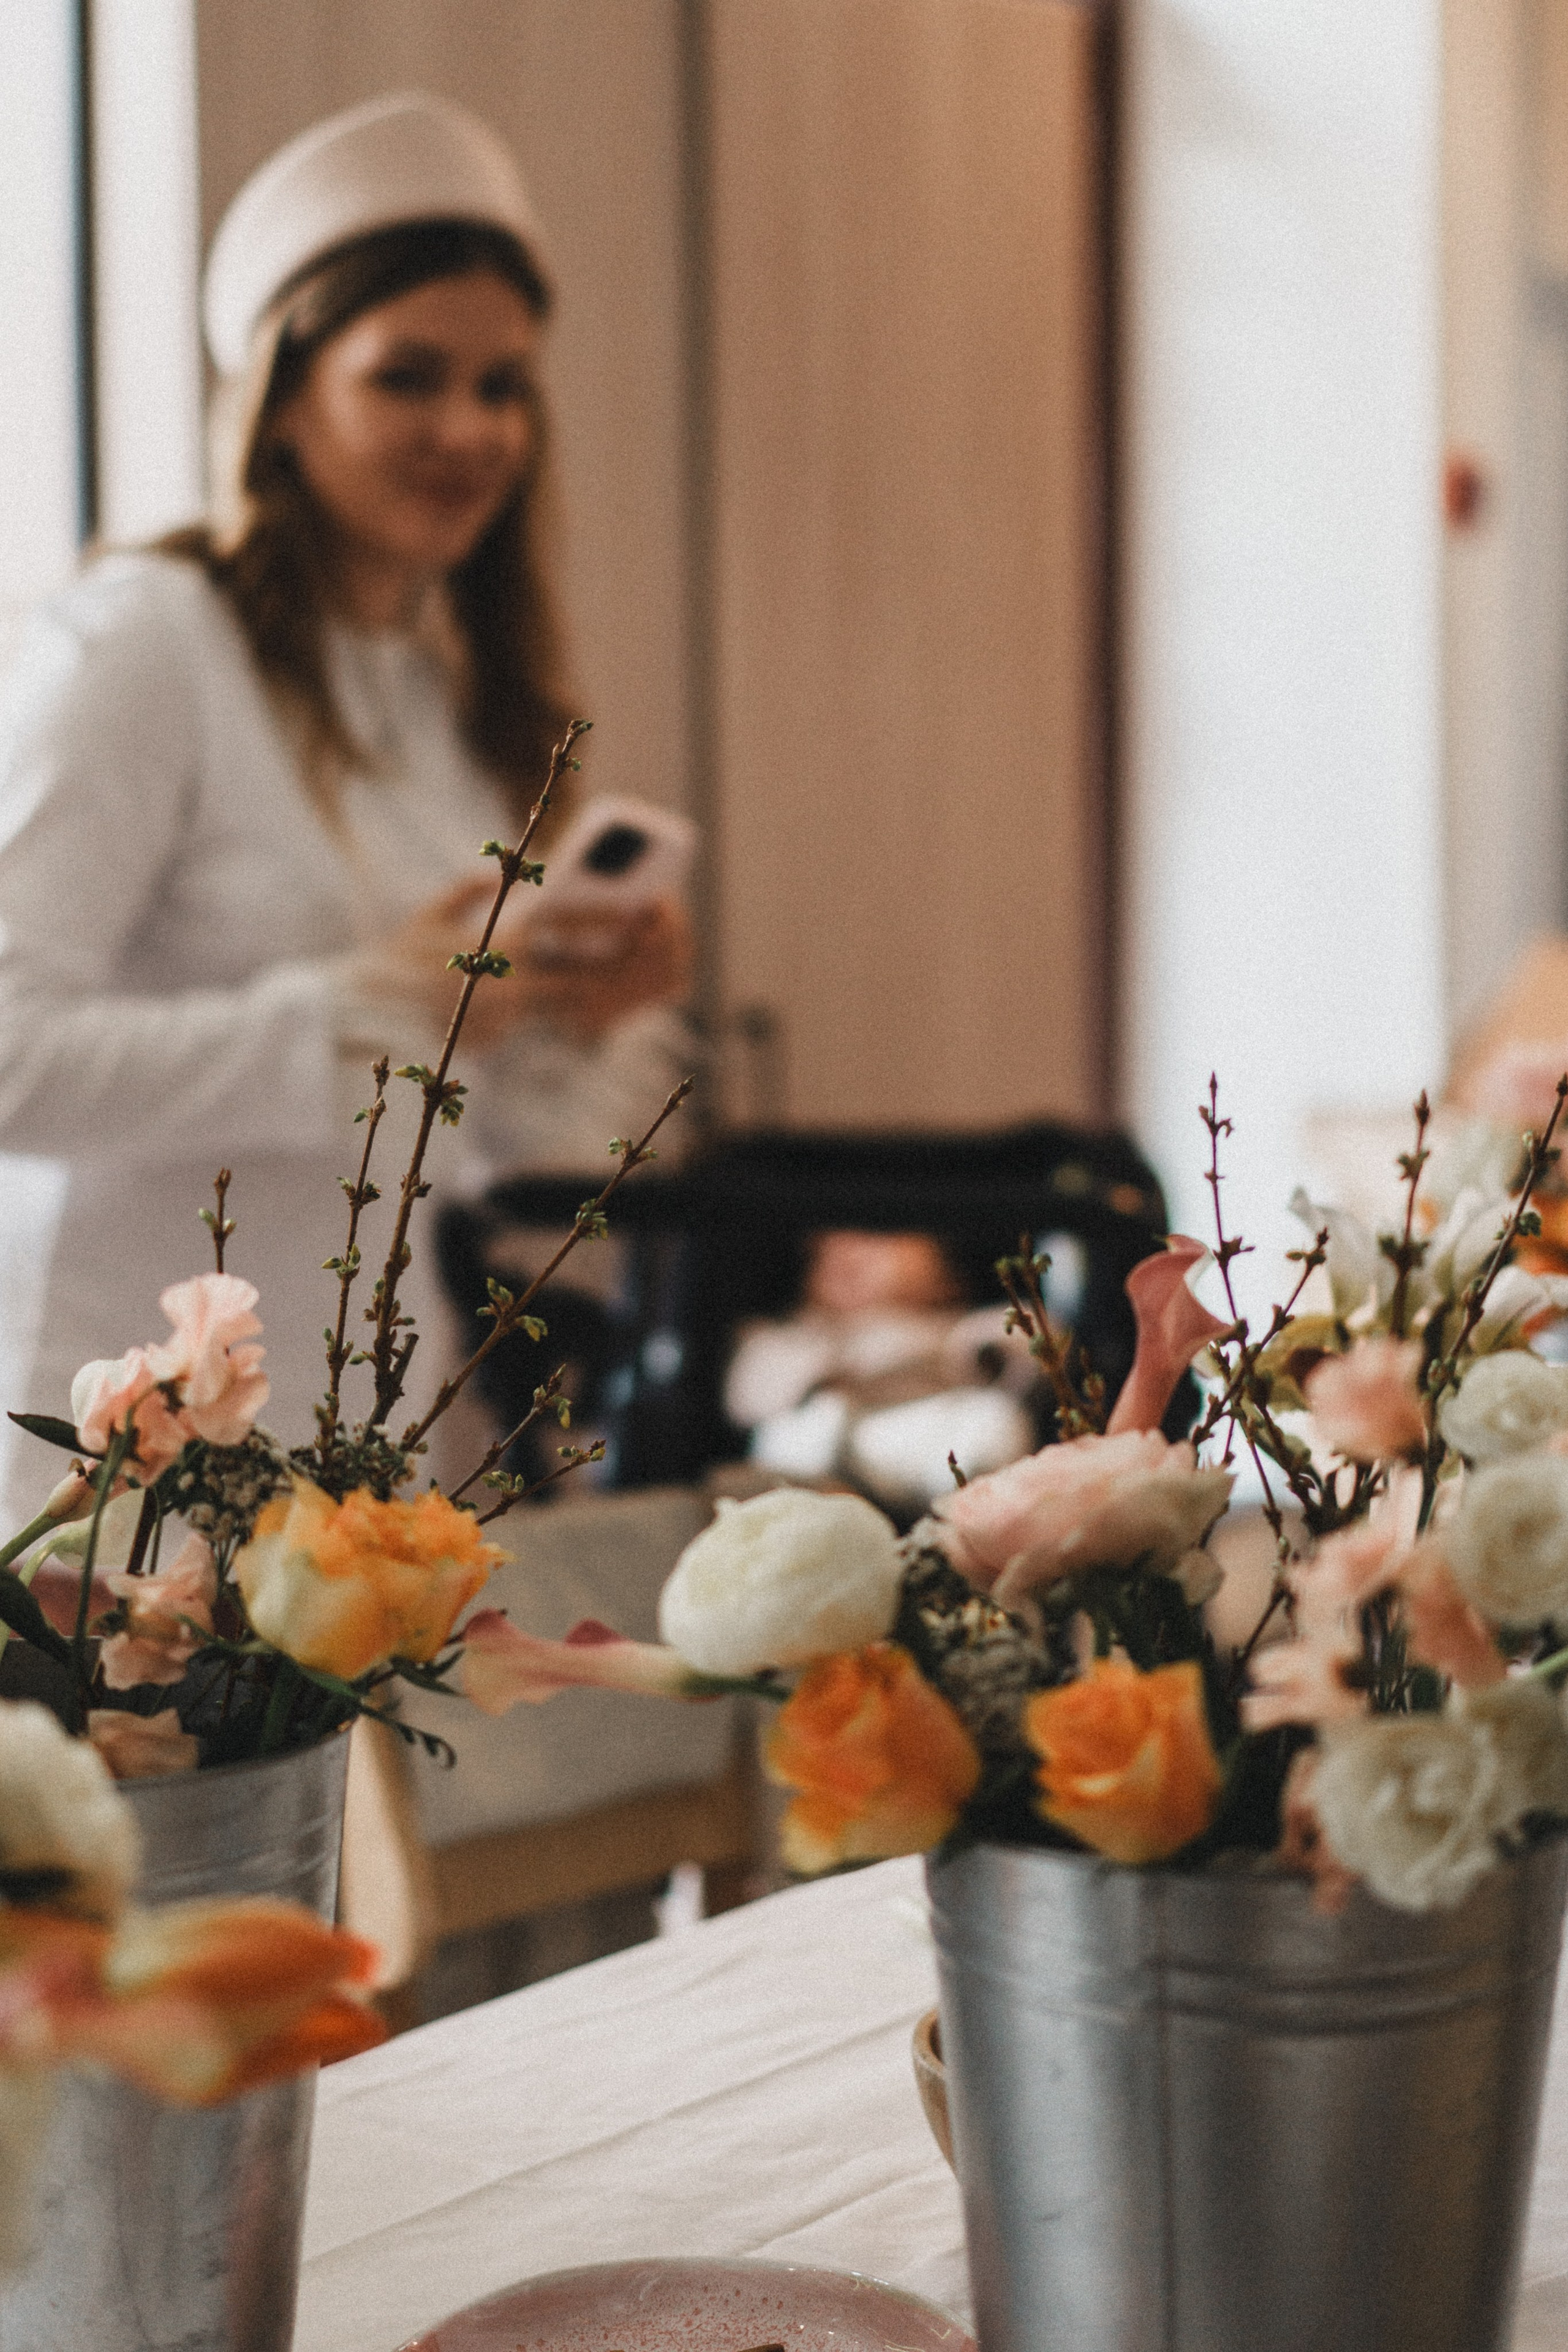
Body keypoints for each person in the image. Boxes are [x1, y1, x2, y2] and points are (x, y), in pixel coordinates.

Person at [0, 92, 693, 1523]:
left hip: (349, 1464)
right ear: (287, 387)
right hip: (96, 1456)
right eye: (409, 376)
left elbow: (486, 1145)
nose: (468, 428)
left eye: (503, 385)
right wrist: (357, 1013)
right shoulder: (149, 645)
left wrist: (585, 1013)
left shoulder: (438, 709)